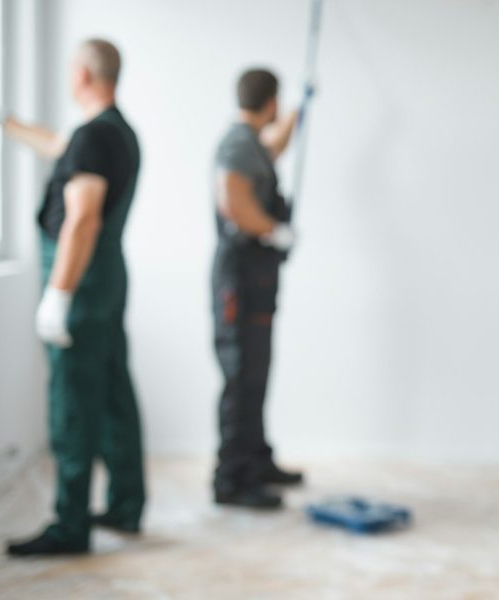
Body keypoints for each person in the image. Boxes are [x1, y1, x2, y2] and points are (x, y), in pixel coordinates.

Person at [0, 39, 145, 555]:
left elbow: (83, 218)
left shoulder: (94, 138)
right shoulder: (116, 131)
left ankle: (70, 526)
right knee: (113, 390)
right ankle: (126, 505)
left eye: (72, 68)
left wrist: (58, 294)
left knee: (72, 399)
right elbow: (54, 144)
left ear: (85, 74)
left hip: (82, 279)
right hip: (107, 274)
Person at [210, 68, 306, 508]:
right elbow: (231, 199)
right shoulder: (236, 145)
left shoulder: (252, 144)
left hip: (256, 277)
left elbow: (273, 148)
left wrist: (296, 113)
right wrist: (273, 229)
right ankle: (232, 478)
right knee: (241, 374)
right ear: (269, 101)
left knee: (256, 370)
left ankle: (257, 459)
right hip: (240, 279)